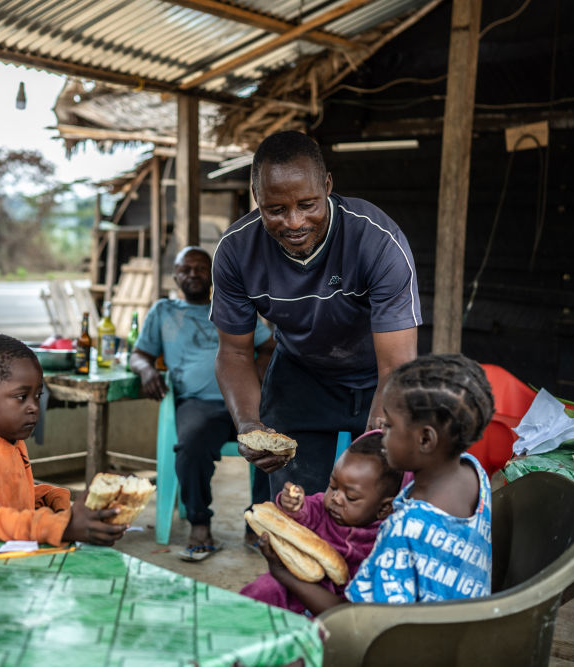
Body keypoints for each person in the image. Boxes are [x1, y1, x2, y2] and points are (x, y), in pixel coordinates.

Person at [210, 130, 422, 500]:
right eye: (275, 209)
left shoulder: (376, 240)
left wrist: (380, 432)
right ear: (256, 197)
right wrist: (247, 423)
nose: (294, 222)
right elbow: (235, 353)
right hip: (300, 376)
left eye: (308, 204)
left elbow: (395, 365)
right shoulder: (235, 251)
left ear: (327, 185)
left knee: (374, 504)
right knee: (297, 505)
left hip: (379, 376)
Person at [255, 353, 494, 613]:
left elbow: (354, 620)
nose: (381, 431)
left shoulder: (404, 528)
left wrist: (282, 572)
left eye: (390, 426)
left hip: (411, 644)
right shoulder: (474, 473)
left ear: (425, 440)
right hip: (462, 627)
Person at [129, 246, 274, 560]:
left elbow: (269, 345)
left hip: (245, 402)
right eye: (185, 269)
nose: (193, 274)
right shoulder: (163, 312)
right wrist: (146, 369)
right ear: (175, 276)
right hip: (198, 405)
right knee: (190, 446)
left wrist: (259, 371)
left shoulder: (232, 306)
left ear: (212, 274)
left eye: (199, 268)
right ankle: (199, 523)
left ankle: (258, 520)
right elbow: (139, 355)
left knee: (272, 441)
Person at [0, 334, 126, 554]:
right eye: (21, 397)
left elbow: (9, 496)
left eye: (37, 396)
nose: (34, 407)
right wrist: (61, 527)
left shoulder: (10, 443)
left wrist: (54, 500)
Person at [240, 430, 403, 614]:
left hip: (343, 602)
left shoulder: (388, 534)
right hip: (300, 585)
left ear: (383, 509)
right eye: (333, 486)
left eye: (350, 497)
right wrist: (293, 506)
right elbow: (303, 513)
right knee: (265, 588)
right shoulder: (321, 507)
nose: (336, 498)